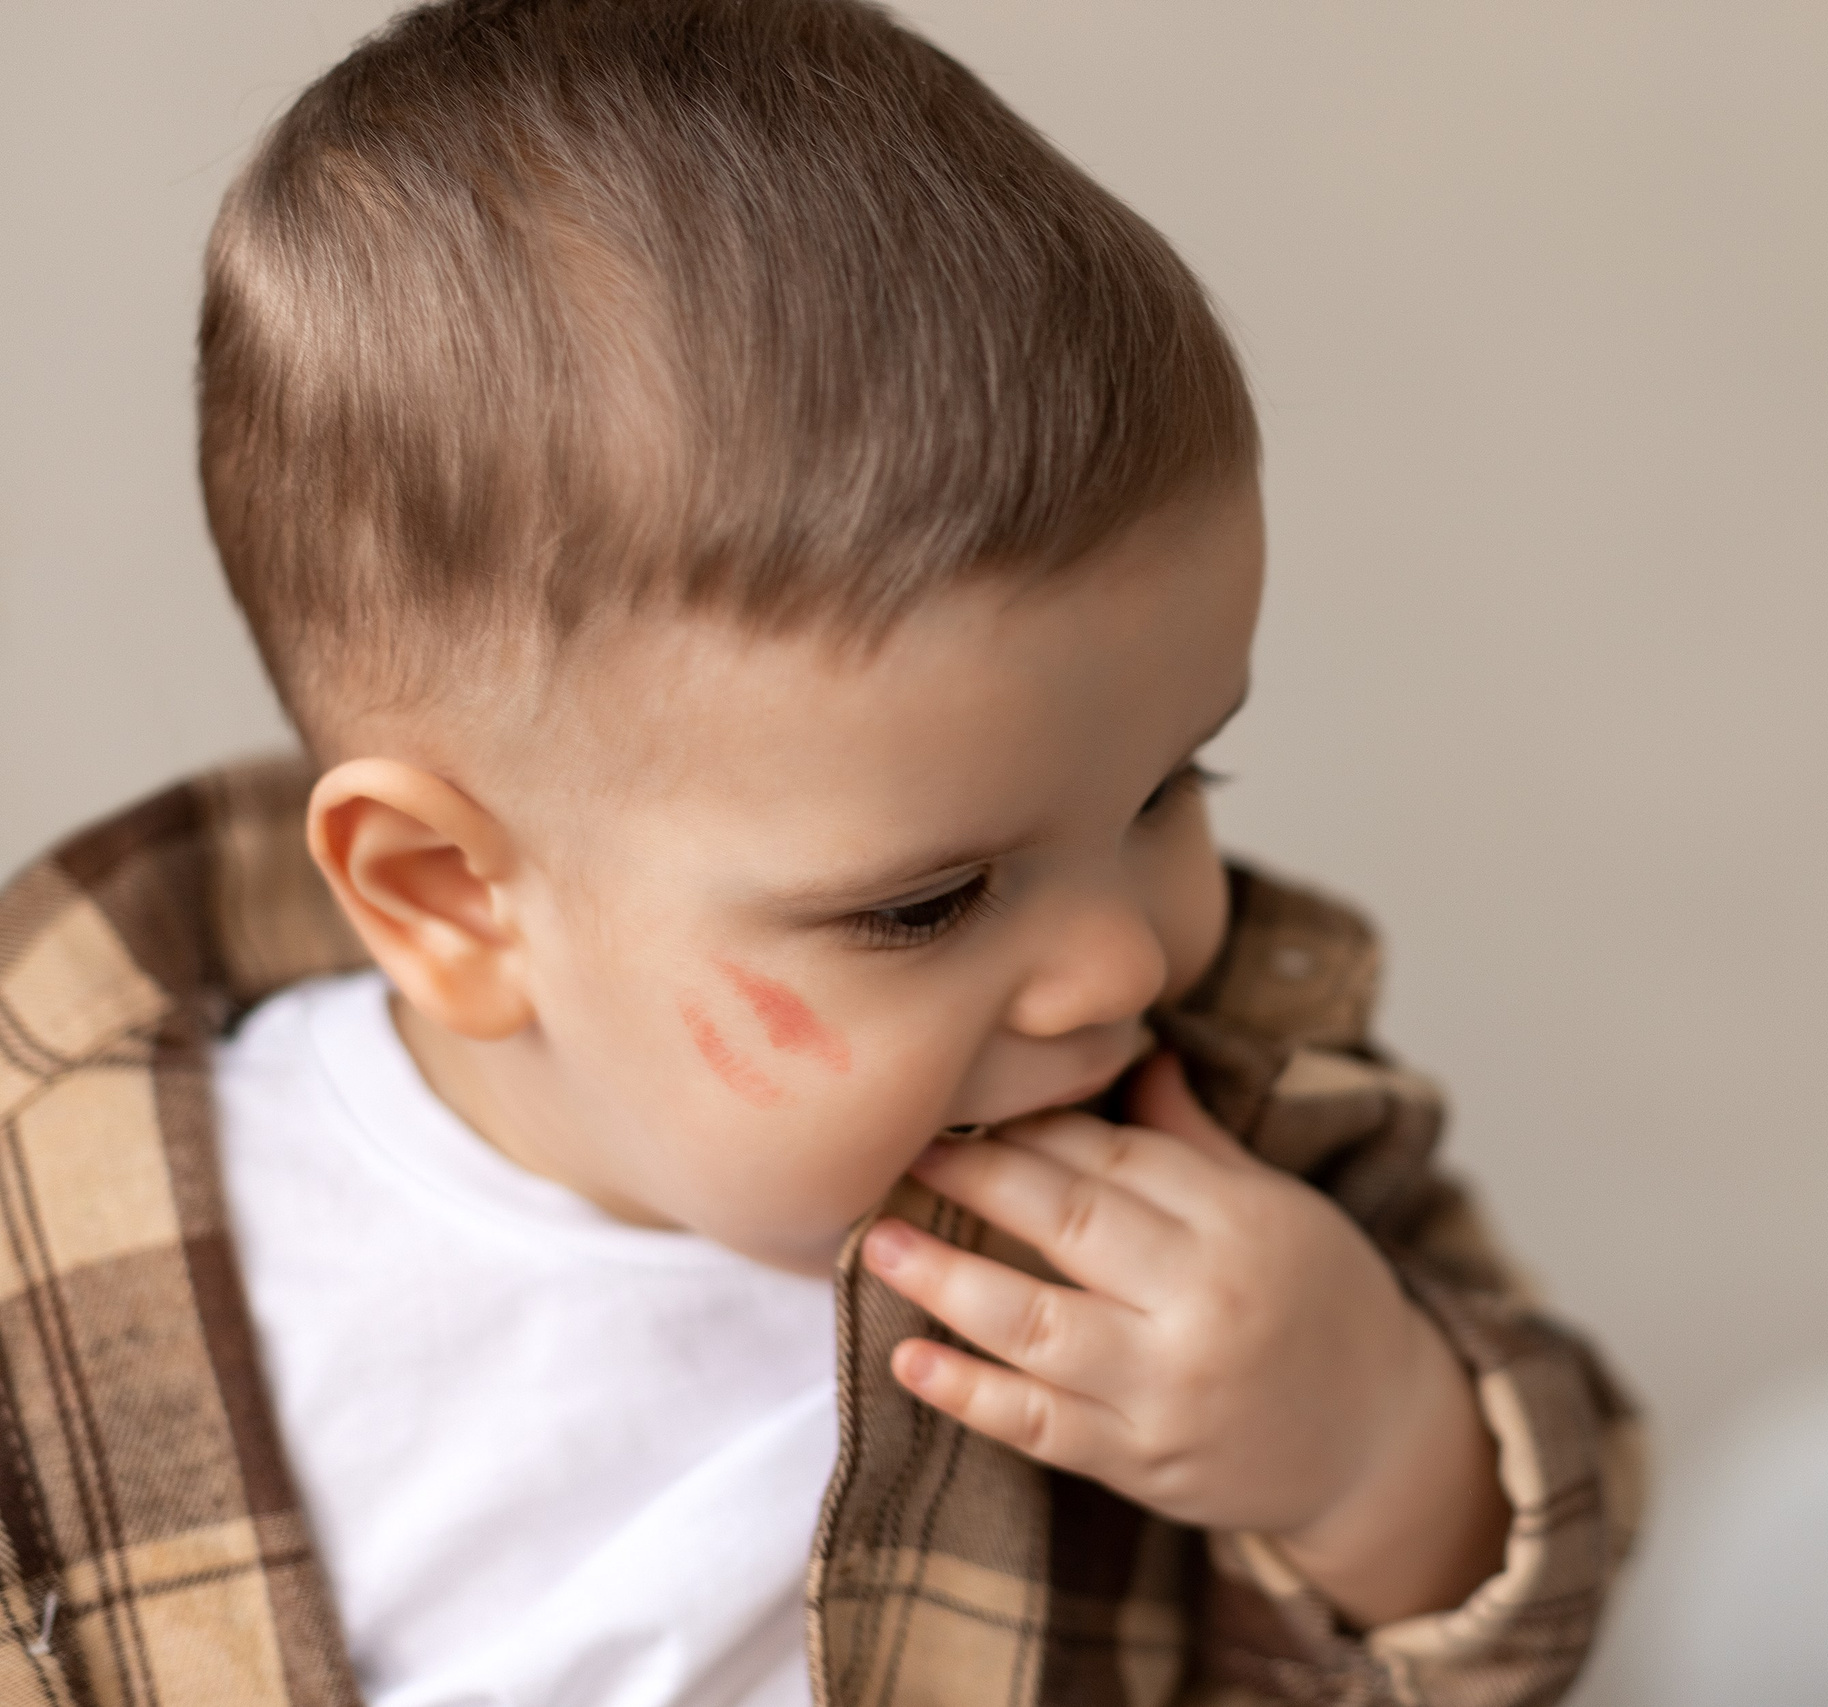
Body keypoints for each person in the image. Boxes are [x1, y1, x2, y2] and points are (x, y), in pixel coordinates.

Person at [0, 2, 1640, 1703]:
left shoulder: (1233, 1148)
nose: (1128, 965)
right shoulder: (66, 1292)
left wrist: (1373, 1456)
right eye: (925, 904)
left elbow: (1535, 1596)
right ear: (455, 898)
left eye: (1170, 786)